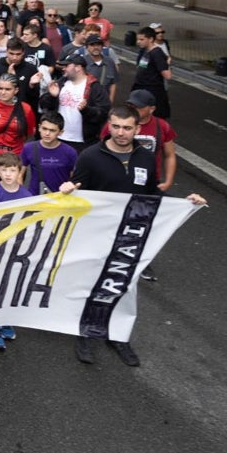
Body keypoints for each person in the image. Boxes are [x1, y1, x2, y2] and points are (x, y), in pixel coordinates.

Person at [61, 105, 207, 367]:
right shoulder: (91, 157)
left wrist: (184, 202)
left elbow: (151, 195)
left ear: (138, 129)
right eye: (116, 126)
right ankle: (85, 334)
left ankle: (118, 335)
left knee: (124, 286)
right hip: (96, 235)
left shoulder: (146, 158)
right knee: (90, 286)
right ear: (108, 125)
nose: (121, 132)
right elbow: (76, 194)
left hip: (130, 236)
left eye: (127, 127)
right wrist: (67, 190)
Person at [0, 151, 34, 350]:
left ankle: (6, 320)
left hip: (17, 248)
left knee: (13, 286)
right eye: (5, 170)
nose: (9, 174)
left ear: (19, 171)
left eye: (12, 170)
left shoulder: (26, 195)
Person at [38, 54, 111, 149]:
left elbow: (103, 113)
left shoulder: (95, 87)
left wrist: (86, 110)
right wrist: (52, 97)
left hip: (83, 142)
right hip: (58, 139)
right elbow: (44, 106)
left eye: (66, 66)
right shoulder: (61, 83)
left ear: (78, 67)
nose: (63, 69)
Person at [21, 112, 78, 195]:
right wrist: (22, 195)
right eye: (44, 129)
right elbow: (19, 175)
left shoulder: (70, 152)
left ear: (60, 132)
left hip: (60, 198)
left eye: (52, 130)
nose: (47, 133)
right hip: (34, 199)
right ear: (39, 127)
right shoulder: (28, 148)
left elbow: (74, 180)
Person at [132, 26, 172, 119]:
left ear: (150, 39)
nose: (138, 42)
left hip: (152, 90)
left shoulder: (157, 53)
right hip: (140, 87)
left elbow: (168, 75)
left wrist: (167, 64)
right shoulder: (144, 50)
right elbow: (140, 66)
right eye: (138, 39)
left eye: (142, 39)